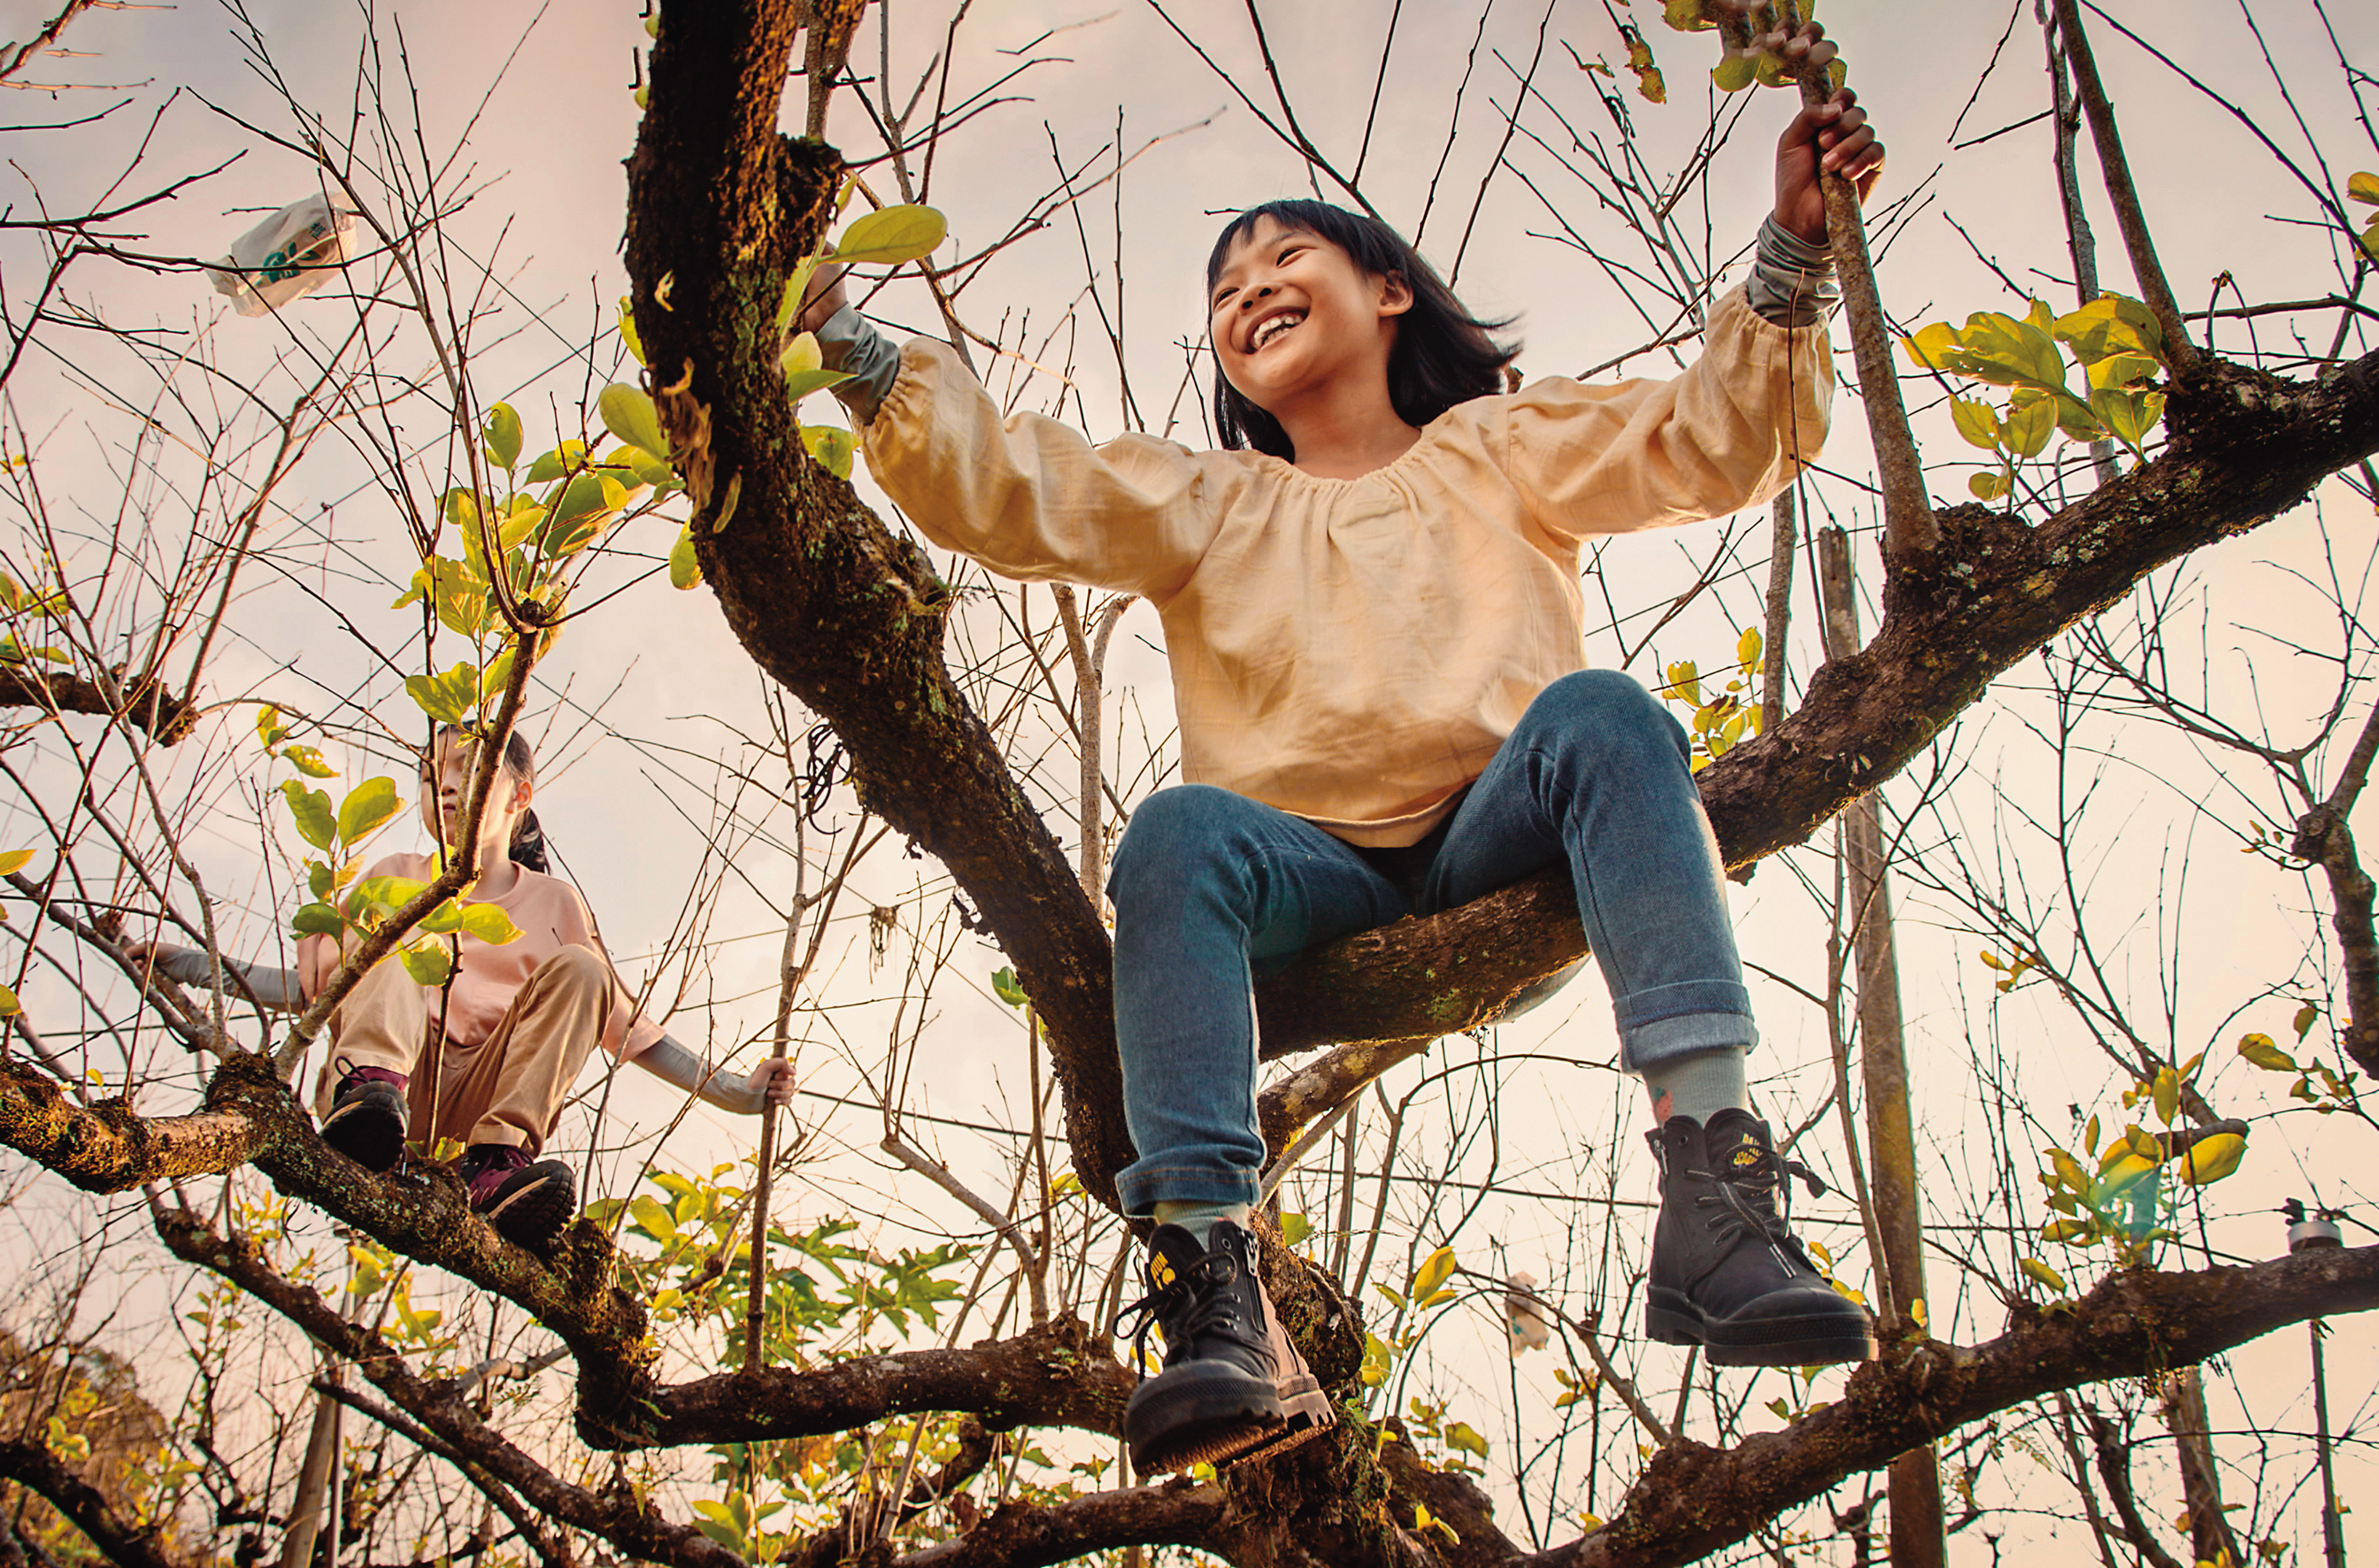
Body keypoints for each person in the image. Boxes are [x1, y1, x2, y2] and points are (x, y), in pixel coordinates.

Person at [794, 21, 1884, 1473]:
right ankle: (1210, 1283)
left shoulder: (1500, 448)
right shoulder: (1208, 502)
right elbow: (1018, 488)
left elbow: (1711, 440)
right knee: (1174, 830)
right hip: (1302, 887)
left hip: (1508, 835)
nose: (1247, 291)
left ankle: (1714, 1194)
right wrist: (851, 343)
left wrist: (1793, 258)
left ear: (1384, 290)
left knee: (1606, 712)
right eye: (1224, 291)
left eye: (1278, 260)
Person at [131, 727, 795, 1253]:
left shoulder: (553, 901)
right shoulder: (393, 875)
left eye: (468, 774)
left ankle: (495, 1164)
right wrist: (186, 963)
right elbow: (314, 991)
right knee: (404, 924)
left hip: (482, 1091)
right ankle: (367, 1100)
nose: (444, 790)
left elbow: (630, 1030)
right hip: (388, 1078)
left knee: (584, 971)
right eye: (428, 776)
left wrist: (737, 1093)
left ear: (519, 795)